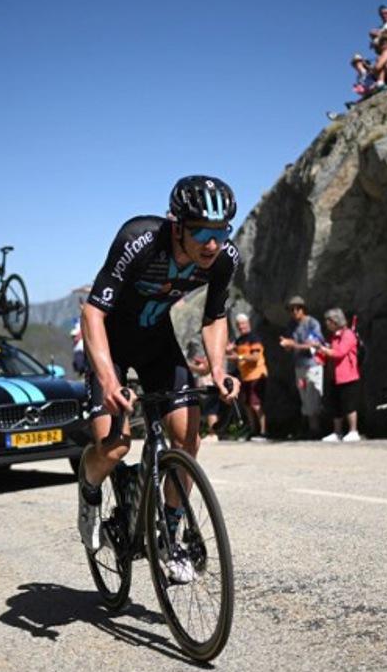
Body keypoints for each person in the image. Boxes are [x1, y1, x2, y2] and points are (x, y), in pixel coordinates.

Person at [77, 176, 240, 584]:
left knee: (187, 435)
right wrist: (109, 382)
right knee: (113, 447)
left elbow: (215, 316)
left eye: (220, 232)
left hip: (156, 343)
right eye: (202, 231)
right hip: (110, 345)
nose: (211, 243)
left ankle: (169, 534)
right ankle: (90, 490)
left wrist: (218, 370)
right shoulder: (140, 239)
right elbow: (92, 313)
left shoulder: (222, 259)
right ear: (177, 225)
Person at [279, 295, 325, 438]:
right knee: (304, 397)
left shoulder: (312, 323)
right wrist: (287, 345)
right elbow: (291, 345)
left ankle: (316, 429)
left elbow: (315, 344)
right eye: (291, 309)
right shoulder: (291, 325)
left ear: (303, 309)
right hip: (299, 366)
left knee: (314, 396)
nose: (294, 312)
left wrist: (293, 345)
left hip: (313, 364)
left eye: (297, 308)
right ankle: (311, 429)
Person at [314, 308, 362, 442]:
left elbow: (340, 352)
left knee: (349, 405)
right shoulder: (334, 336)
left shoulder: (348, 335)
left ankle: (353, 431)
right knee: (335, 405)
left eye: (328, 321)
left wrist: (324, 349)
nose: (326, 324)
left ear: (335, 321)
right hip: (334, 376)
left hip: (348, 376)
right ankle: (337, 432)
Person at [227, 313, 268, 441]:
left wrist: (238, 357)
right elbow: (235, 357)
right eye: (238, 325)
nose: (241, 327)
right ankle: (253, 430)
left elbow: (255, 358)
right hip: (245, 376)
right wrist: (230, 352)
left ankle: (263, 432)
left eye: (243, 324)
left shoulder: (254, 338)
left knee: (256, 404)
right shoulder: (239, 340)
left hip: (257, 375)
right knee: (247, 405)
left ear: (248, 323)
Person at [184, 341, 223, 440]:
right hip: (204, 387)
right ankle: (211, 432)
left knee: (211, 411)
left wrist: (190, 366)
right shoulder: (203, 358)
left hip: (210, 387)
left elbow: (204, 370)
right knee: (207, 411)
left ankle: (213, 434)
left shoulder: (211, 357)